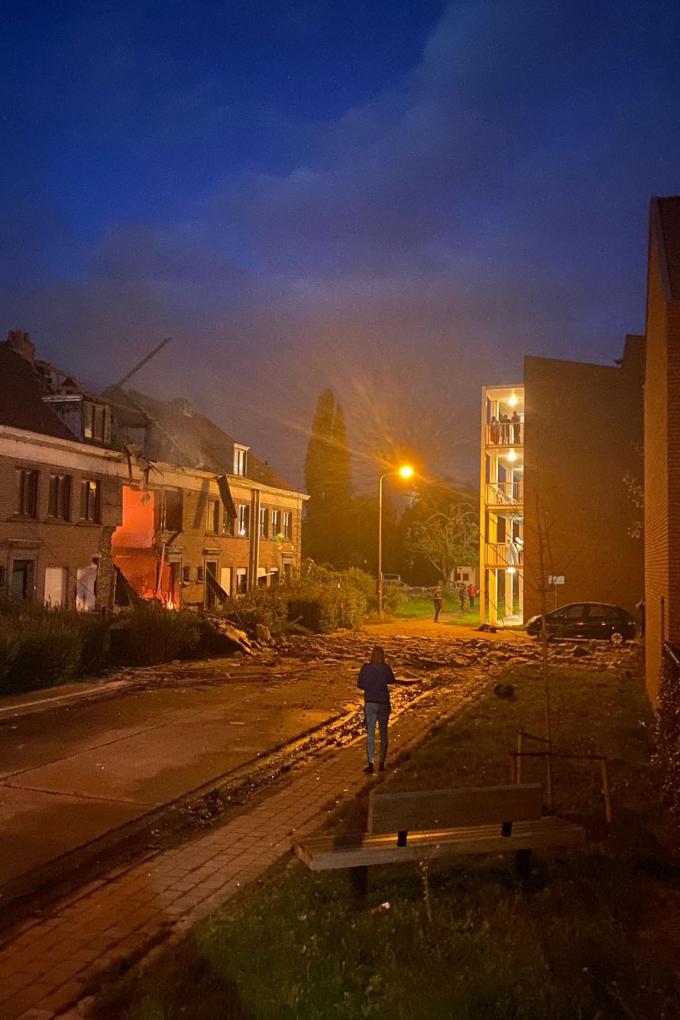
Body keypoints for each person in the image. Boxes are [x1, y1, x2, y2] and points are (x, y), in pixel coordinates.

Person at [357, 646, 401, 773]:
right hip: (383, 702)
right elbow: (391, 680)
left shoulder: (365, 668)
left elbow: (360, 684)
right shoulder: (385, 668)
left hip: (370, 702)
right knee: (383, 733)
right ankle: (381, 763)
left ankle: (370, 763)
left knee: (370, 733)